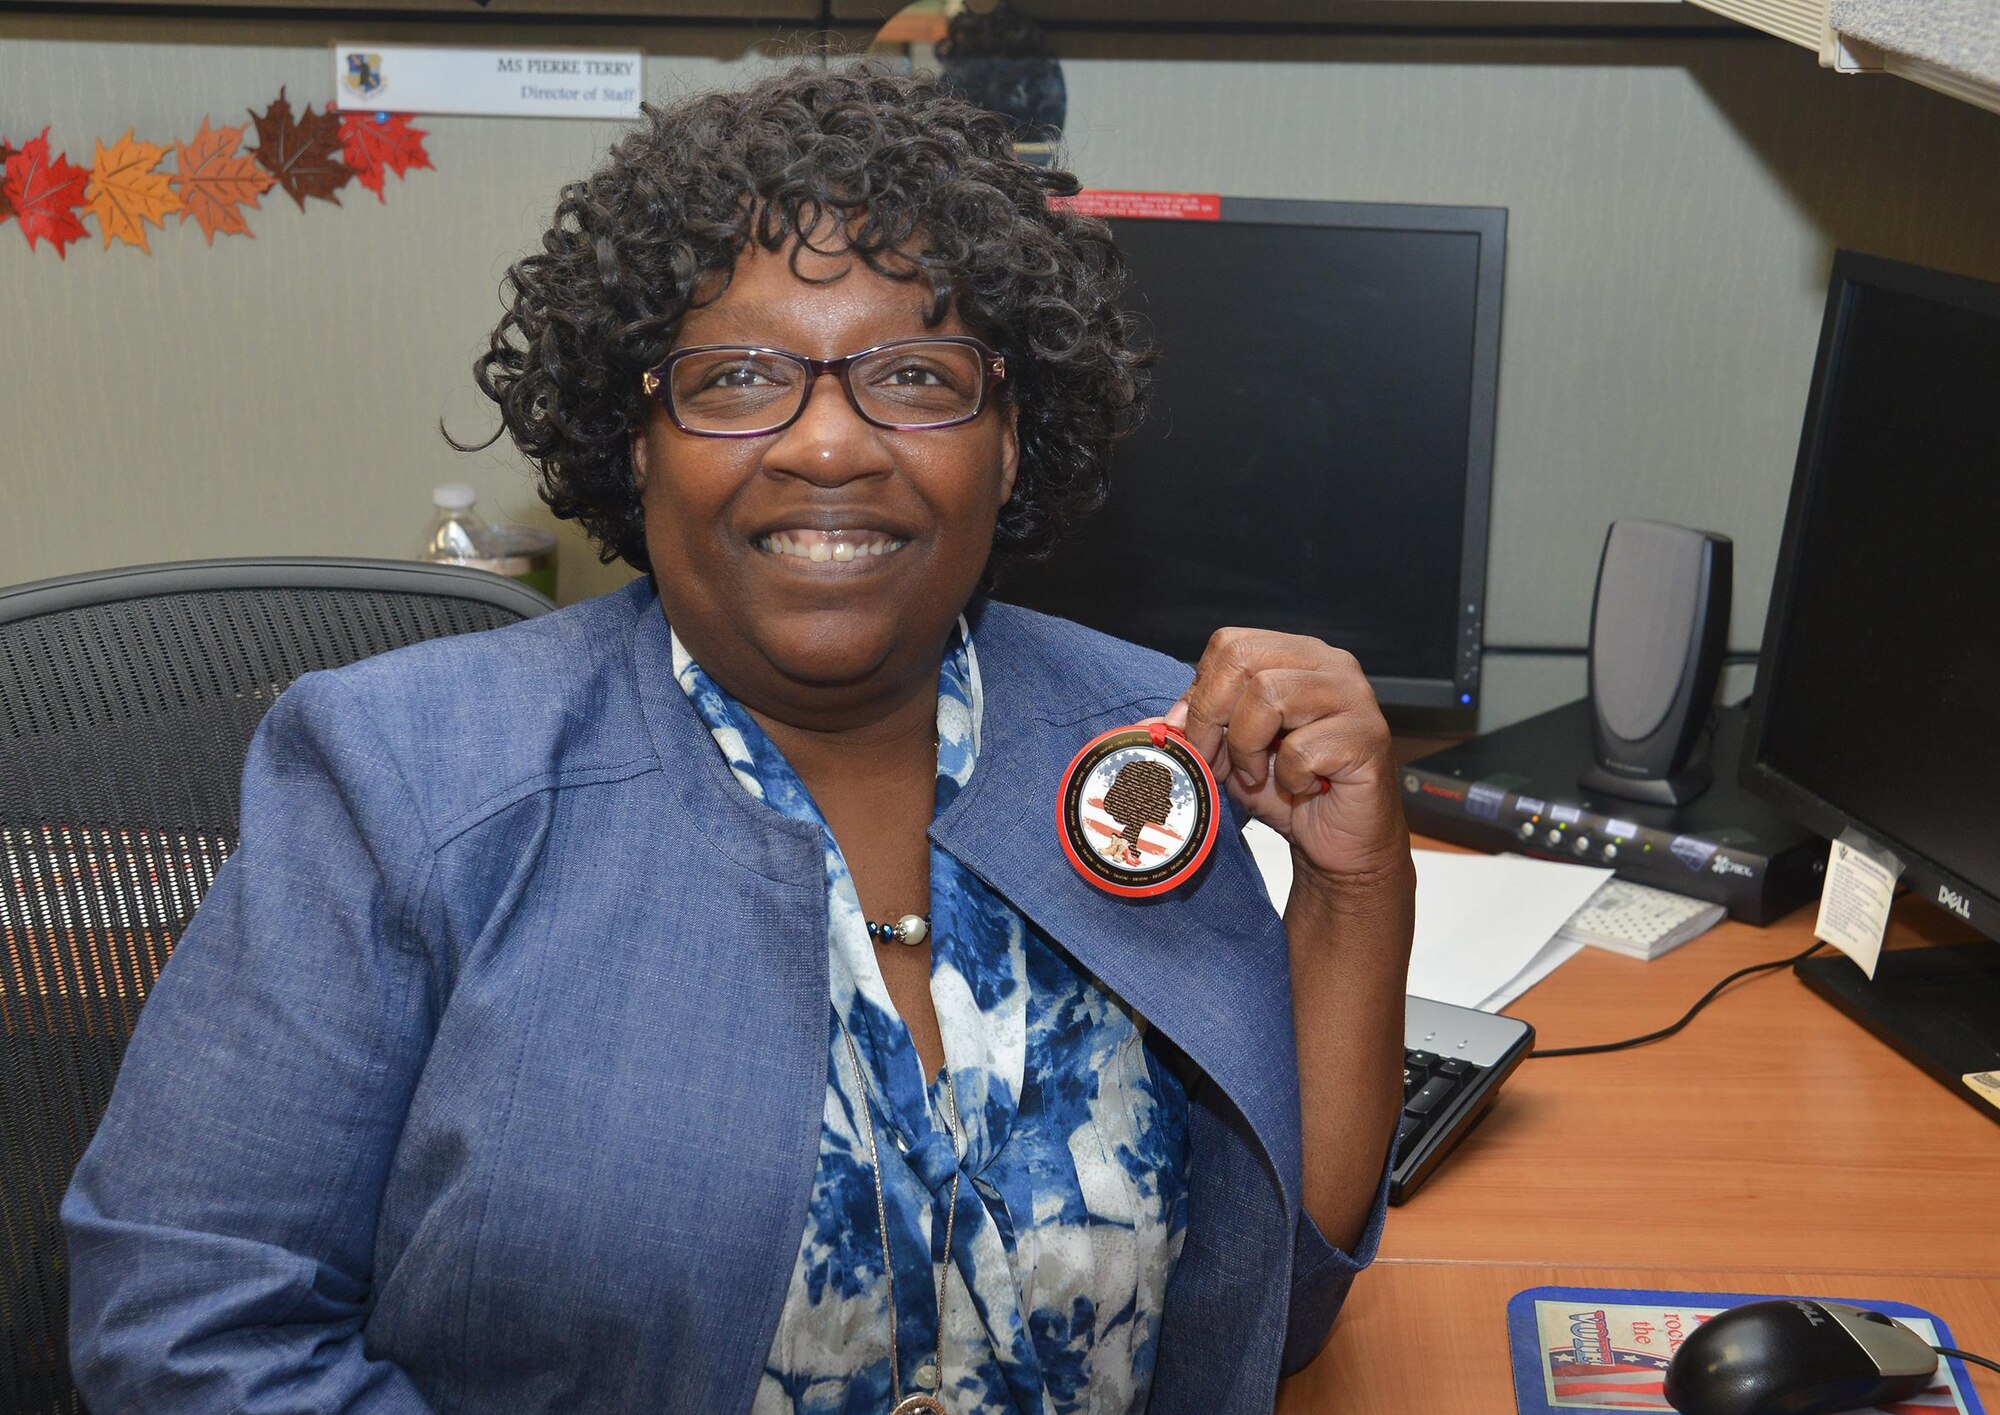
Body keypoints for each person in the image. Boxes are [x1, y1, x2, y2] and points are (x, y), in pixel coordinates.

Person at [63, 62, 1415, 1415]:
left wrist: (1356, 889)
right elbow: (189, 1332)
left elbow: (1261, 1319)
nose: (829, 443)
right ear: (637, 439)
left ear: (1010, 440)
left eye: (916, 375)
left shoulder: (1151, 752)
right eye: (737, 379)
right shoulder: (398, 778)